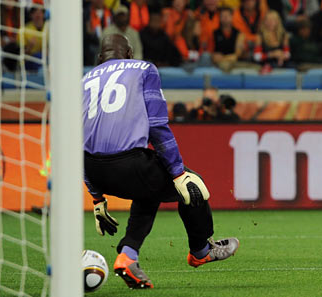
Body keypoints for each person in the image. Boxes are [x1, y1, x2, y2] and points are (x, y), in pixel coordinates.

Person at [82, 34, 239, 289]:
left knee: (148, 189)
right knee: (192, 186)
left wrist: (97, 197)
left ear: (100, 59)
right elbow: (157, 125)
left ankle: (127, 256)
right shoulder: (144, 69)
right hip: (130, 162)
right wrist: (178, 173)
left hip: (93, 168)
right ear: (130, 54)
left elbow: (77, 140)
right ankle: (201, 250)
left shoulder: (84, 80)